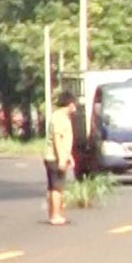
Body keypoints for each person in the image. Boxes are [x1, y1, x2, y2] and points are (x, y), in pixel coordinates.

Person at [45, 89, 77, 225]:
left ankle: (53, 214)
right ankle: (56, 215)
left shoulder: (60, 117)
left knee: (54, 187)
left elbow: (65, 140)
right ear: (69, 104)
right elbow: (58, 140)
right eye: (74, 104)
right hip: (55, 157)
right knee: (57, 187)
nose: (75, 107)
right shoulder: (59, 118)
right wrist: (62, 159)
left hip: (56, 156)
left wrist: (69, 156)